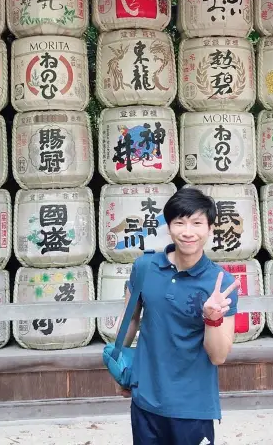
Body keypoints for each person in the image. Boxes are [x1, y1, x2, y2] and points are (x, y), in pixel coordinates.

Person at [115, 187, 239, 445]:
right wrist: (118, 367)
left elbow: (218, 356)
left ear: (210, 228)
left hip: (192, 407)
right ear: (169, 226)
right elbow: (131, 319)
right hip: (146, 400)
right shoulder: (144, 268)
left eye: (197, 223)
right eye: (179, 222)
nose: (188, 232)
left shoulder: (220, 284)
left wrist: (212, 318)